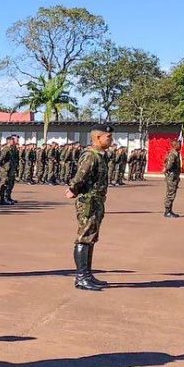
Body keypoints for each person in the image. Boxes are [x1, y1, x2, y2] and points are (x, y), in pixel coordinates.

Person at [66, 125, 113, 291]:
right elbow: (79, 177)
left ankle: (87, 275)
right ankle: (81, 277)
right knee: (84, 237)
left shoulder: (101, 156)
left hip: (96, 201)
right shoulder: (90, 156)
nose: (111, 139)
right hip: (88, 202)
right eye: (108, 136)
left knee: (91, 237)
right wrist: (73, 189)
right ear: (97, 138)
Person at [0, 134, 19, 205]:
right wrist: (2, 168)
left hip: (11, 170)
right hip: (6, 171)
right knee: (4, 184)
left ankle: (7, 197)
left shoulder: (12, 149)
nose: (14, 141)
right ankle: (3, 199)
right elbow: (0, 159)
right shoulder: (6, 149)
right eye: (13, 140)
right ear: (9, 141)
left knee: (10, 184)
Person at [164, 138, 182, 218]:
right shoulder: (173, 154)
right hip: (172, 176)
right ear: (175, 145)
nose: (180, 146)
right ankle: (167, 211)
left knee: (172, 193)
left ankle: (170, 210)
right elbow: (169, 166)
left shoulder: (176, 153)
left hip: (174, 176)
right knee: (170, 193)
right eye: (179, 144)